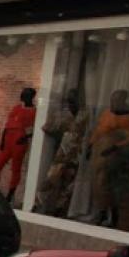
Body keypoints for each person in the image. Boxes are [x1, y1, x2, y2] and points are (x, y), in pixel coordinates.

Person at [87, 89, 129, 228]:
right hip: (99, 150)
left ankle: (113, 215)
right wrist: (90, 145)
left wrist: (116, 146)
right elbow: (98, 130)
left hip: (112, 153)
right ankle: (101, 212)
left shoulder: (127, 117)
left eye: (116, 100)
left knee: (107, 184)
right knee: (97, 184)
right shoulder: (106, 113)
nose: (113, 103)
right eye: (112, 99)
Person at [39, 88, 88, 216]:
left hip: (76, 155)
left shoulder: (85, 115)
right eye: (69, 101)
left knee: (68, 185)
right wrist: (61, 134)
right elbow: (47, 127)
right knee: (51, 180)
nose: (71, 103)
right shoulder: (63, 114)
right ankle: (38, 205)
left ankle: (60, 209)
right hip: (63, 153)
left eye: (73, 100)